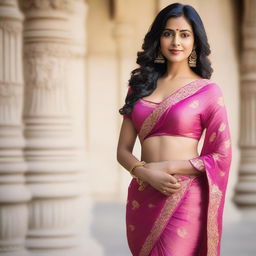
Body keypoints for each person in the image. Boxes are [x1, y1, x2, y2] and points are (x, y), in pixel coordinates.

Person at [116, 3, 232, 256]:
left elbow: (221, 156)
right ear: (158, 38)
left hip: (184, 193)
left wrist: (166, 168)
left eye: (184, 34)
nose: (175, 41)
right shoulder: (139, 87)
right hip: (143, 193)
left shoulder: (208, 92)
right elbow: (123, 151)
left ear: (195, 41)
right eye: (168, 33)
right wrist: (144, 173)